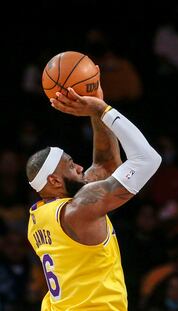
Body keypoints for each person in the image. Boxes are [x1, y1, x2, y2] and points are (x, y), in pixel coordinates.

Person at [26, 85, 162, 310]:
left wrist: (95, 111)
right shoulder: (78, 210)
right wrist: (104, 110)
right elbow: (148, 159)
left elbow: (105, 165)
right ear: (54, 181)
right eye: (71, 166)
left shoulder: (38, 215)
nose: (80, 167)